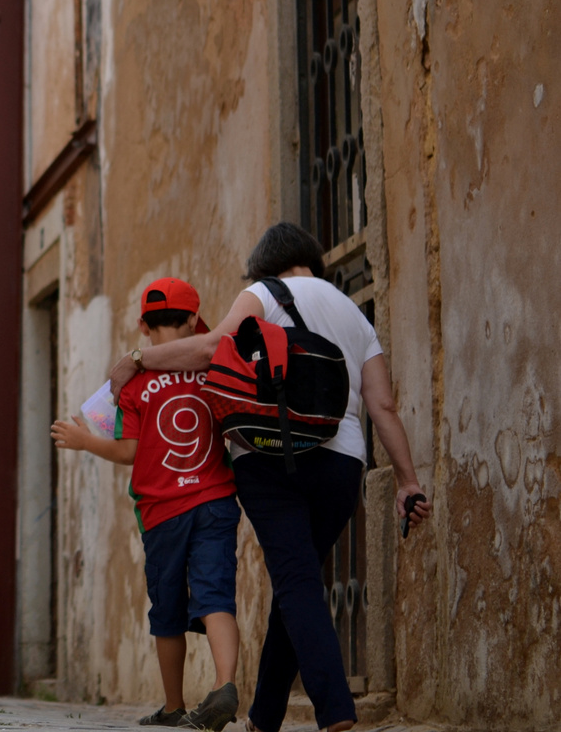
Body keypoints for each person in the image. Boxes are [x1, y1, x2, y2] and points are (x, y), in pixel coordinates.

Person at [106, 223, 432, 732]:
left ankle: (335, 711)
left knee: (296, 578)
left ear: (263, 266)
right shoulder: (354, 315)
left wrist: (137, 360)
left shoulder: (262, 293)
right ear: (313, 263)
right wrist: (409, 481)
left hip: (267, 455)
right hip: (341, 463)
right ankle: (264, 717)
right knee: (296, 579)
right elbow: (382, 405)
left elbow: (214, 347)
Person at [54, 278, 241, 730]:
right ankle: (224, 684)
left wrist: (84, 441)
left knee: (167, 609)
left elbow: (129, 452)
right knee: (216, 593)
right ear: (195, 321)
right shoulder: (212, 365)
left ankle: (174, 706)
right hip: (216, 499)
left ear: (143, 326)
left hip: (162, 512)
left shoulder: (135, 386)